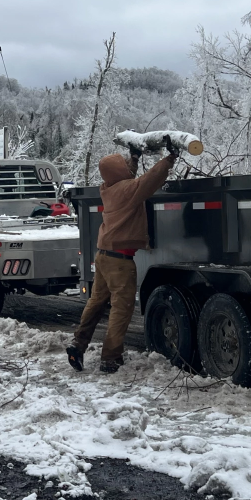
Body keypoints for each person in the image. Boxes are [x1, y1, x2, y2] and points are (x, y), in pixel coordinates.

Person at [67, 145, 177, 373]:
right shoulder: (127, 190)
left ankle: (78, 344)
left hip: (103, 256)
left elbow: (130, 180)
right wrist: (170, 158)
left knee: (96, 303)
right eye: (124, 165)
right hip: (120, 261)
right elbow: (149, 181)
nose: (127, 168)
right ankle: (110, 358)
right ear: (119, 171)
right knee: (121, 309)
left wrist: (135, 158)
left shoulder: (108, 188)